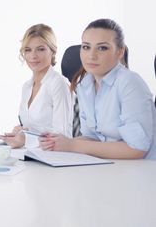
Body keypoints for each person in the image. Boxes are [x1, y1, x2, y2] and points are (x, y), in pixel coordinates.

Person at [40, 19, 156, 159]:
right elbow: (92, 137)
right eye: (86, 47)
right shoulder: (85, 85)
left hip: (140, 170)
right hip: (108, 167)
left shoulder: (130, 83)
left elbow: (136, 148)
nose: (91, 55)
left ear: (120, 52)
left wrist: (72, 145)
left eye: (102, 48)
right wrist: (57, 143)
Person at [0, 24, 73, 149]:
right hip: (30, 155)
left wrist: (25, 139)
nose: (33, 56)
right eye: (28, 50)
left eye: (40, 49)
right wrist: (20, 132)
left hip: (52, 159)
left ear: (53, 51)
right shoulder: (27, 87)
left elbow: (63, 136)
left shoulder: (58, 84)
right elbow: (35, 128)